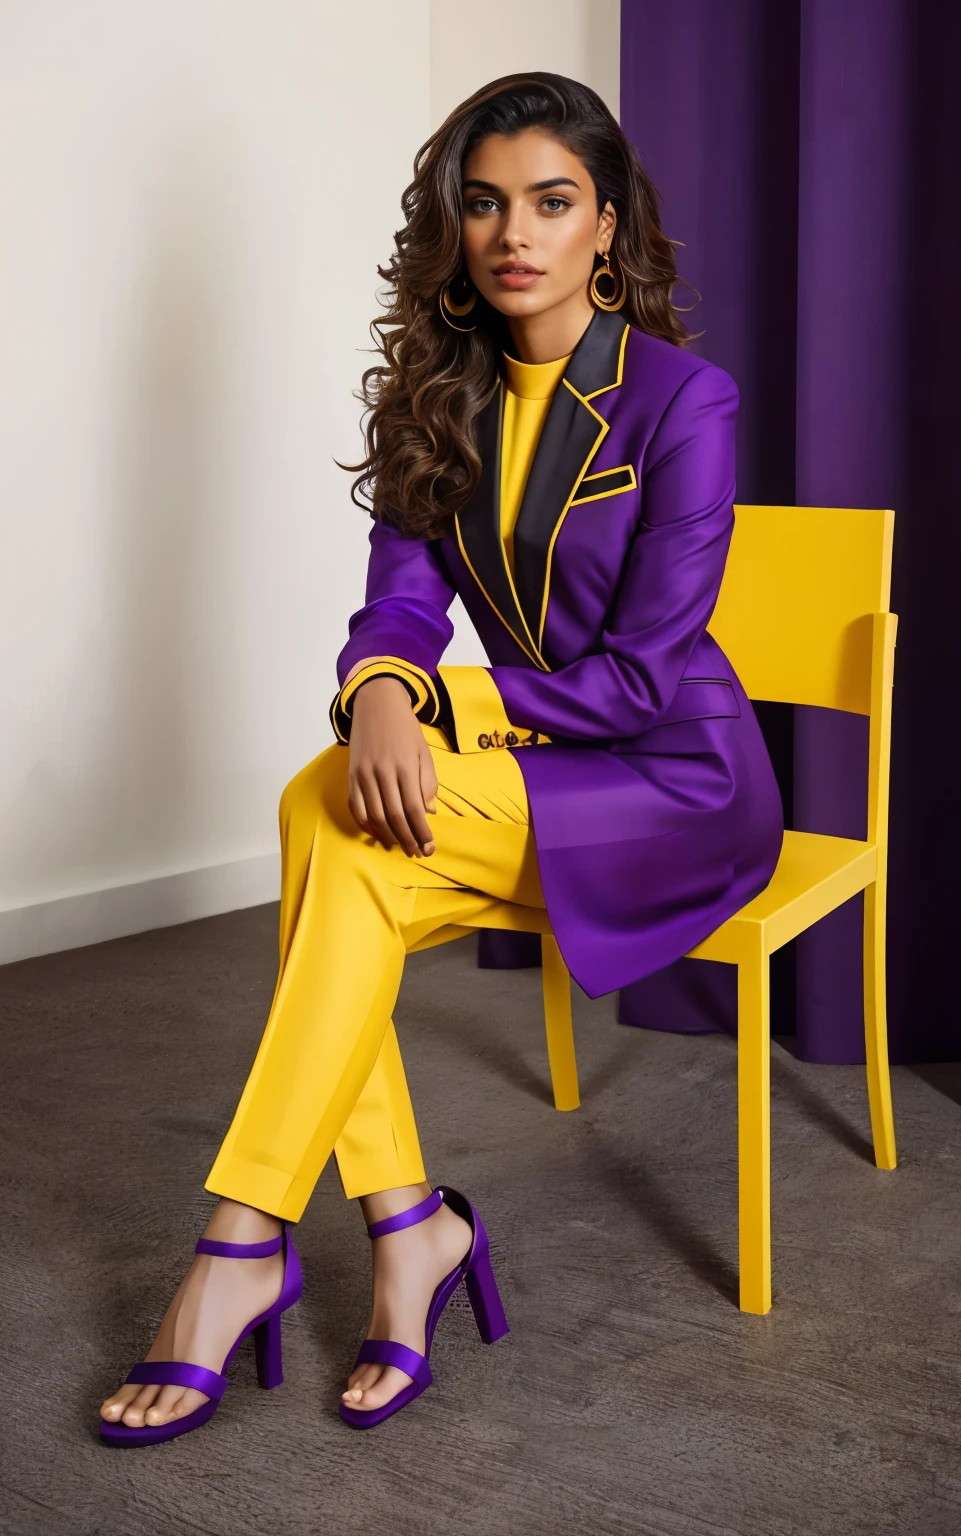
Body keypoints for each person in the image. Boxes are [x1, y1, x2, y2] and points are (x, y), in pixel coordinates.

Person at [99, 71, 784, 1445]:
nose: (515, 232)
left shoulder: (680, 403)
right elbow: (401, 603)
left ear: (608, 226)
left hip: (671, 779)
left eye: (551, 202)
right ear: (454, 227)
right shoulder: (437, 395)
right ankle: (403, 1232)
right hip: (524, 779)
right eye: (486, 203)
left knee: (329, 821)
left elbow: (648, 673)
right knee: (333, 810)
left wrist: (444, 710)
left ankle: (256, 1244)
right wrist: (381, 694)